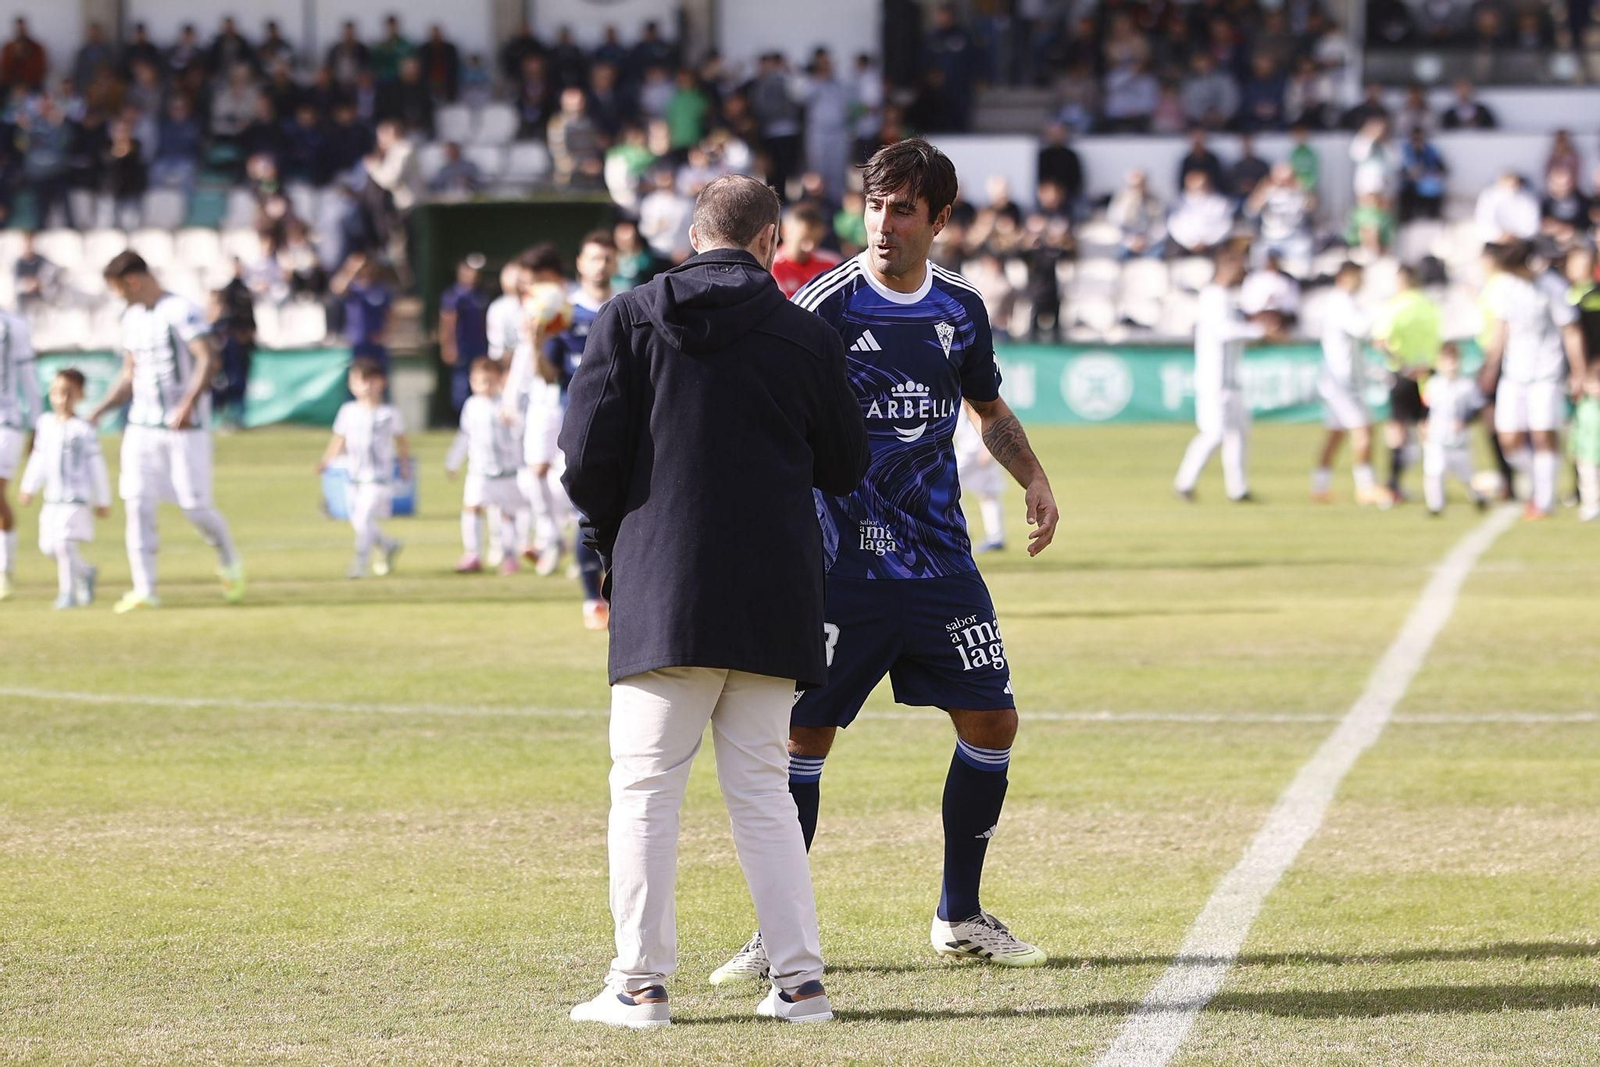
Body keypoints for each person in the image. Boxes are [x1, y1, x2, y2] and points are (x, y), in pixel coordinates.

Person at [710, 139, 1060, 988]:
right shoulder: (825, 304)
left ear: (939, 220)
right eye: (874, 205)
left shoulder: (963, 309)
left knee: (993, 722)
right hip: (843, 568)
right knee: (803, 736)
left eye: (903, 209)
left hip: (941, 562)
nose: (883, 224)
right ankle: (773, 930)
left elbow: (986, 405)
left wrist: (1034, 475)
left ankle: (960, 915)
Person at [561, 173, 869, 1027]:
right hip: (773, 590)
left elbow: (585, 455)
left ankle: (641, 983)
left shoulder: (629, 315)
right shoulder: (805, 335)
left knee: (646, 789)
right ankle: (801, 983)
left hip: (665, 583)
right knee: (764, 792)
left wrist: (617, 530)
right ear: (771, 239)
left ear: (694, 235)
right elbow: (846, 464)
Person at [86, 252, 245, 613]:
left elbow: (208, 358)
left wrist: (188, 403)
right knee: (137, 504)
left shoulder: (181, 310)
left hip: (184, 430)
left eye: (118, 289)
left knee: (194, 507)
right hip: (142, 427)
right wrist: (98, 410)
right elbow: (130, 374)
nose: (118, 297)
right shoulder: (131, 318)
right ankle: (145, 588)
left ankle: (228, 557)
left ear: (132, 281)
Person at [532, 231, 615, 630]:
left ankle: (618, 595)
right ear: (581, 263)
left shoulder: (627, 306)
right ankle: (590, 600)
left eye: (607, 258)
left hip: (622, 425)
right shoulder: (563, 314)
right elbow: (549, 375)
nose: (601, 265)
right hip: (579, 428)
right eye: (594, 258)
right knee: (586, 514)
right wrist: (535, 344)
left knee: (623, 514)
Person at [1480, 241, 1585, 519]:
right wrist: (1490, 368)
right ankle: (1540, 480)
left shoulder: (1551, 287)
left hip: (1546, 374)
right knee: (1509, 439)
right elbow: (1500, 329)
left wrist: (1579, 373)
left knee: (1542, 434)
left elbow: (1570, 332)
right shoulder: (1505, 287)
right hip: (1514, 373)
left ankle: (1544, 500)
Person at [1175, 253, 1265, 502]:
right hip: (1214, 379)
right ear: (1223, 269)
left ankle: (1238, 489)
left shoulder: (1227, 298)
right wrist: (1259, 331)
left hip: (1231, 378)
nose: (1242, 273)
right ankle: (1184, 482)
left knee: (1239, 433)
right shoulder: (1213, 296)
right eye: (1237, 268)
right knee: (1214, 433)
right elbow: (1224, 331)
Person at [18, 369, 110, 609]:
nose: (61, 399)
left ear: (80, 395)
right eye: (57, 393)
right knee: (49, 547)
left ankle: (67, 594)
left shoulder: (84, 429)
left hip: (76, 498)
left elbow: (96, 467)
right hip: (52, 499)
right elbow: (38, 459)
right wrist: (29, 487)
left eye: (68, 393)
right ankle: (86, 572)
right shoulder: (46, 424)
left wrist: (102, 499)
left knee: (64, 545)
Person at [319, 359, 409, 579]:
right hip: (354, 477)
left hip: (379, 478)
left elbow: (402, 441)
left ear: (381, 383)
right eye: (360, 381)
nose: (366, 386)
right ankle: (389, 545)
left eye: (371, 380)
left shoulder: (389, 413)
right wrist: (326, 461)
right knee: (359, 521)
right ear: (352, 385)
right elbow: (339, 439)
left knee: (364, 518)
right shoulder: (348, 411)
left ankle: (360, 564)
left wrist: (404, 465)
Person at [445, 358, 526, 574]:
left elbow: (522, 432)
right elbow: (464, 436)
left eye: (490, 381)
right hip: (479, 472)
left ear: (500, 380)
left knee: (508, 514)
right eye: (481, 381)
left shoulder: (507, 405)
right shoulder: (471, 406)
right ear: (472, 382)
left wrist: (514, 422)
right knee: (472, 508)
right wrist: (453, 461)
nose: (486, 386)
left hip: (506, 472)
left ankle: (509, 556)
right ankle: (473, 554)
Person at [1312, 263, 1383, 505]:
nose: (1360, 283)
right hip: (1341, 382)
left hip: (1341, 380)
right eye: (1357, 278)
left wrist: (1372, 371)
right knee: (1363, 429)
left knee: (1336, 434)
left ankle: (1320, 486)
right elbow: (1361, 329)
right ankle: (1366, 486)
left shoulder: (1343, 303)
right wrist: (1382, 310)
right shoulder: (1339, 302)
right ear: (1345, 277)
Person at [1372, 265, 1442, 502]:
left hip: (1403, 374)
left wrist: (1401, 364)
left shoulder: (1395, 306)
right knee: (1428, 429)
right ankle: (1434, 485)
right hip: (1428, 374)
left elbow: (1380, 341)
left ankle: (1393, 484)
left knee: (1397, 430)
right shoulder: (1429, 306)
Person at [1421, 342, 1488, 516]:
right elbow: (1425, 409)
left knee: (1466, 474)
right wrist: (1424, 426)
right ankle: (1435, 506)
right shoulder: (1433, 385)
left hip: (1459, 440)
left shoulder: (1467, 386)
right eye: (1447, 361)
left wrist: (1464, 420)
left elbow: (1477, 408)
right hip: (1437, 437)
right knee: (1435, 471)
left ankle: (1479, 497)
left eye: (1454, 361)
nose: (1451, 366)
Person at [0, 305, 40, 602]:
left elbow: (29, 379)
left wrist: (36, 425)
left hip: (7, 421)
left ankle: (4, 572)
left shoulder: (13, 325)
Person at [439, 255, 491, 418]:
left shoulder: (480, 293)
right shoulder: (453, 295)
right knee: (461, 385)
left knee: (480, 381)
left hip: (480, 346)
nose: (473, 274)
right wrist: (448, 346)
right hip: (462, 347)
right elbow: (447, 322)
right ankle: (462, 420)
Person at [955, 402, 1005, 551]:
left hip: (976, 449)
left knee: (949, 484)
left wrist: (988, 448)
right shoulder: (955, 392)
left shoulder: (978, 390)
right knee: (987, 493)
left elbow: (993, 417)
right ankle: (994, 537)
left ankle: (962, 530)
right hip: (968, 449)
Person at [771, 202, 842, 299]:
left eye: (816, 240)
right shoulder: (770, 267)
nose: (810, 247)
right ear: (784, 231)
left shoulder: (833, 265)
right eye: (803, 240)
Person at [1572, 364, 1600, 521]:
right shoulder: (1583, 407)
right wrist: (1574, 449)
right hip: (1588, 453)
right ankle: (1591, 507)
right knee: (1588, 482)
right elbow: (1577, 430)